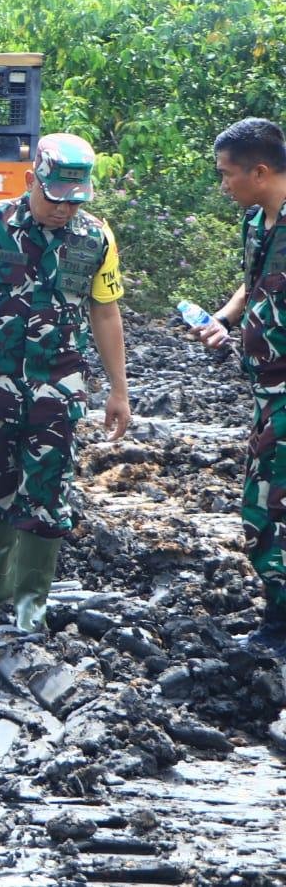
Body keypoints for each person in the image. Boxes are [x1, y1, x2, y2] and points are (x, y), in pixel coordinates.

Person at [0, 133, 131, 633]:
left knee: (47, 488)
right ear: (31, 180)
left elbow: (106, 314)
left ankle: (32, 596)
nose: (63, 210)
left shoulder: (95, 238)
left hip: (57, 391)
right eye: (54, 198)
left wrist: (118, 390)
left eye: (73, 201)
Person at [187, 117, 286, 657]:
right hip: (267, 392)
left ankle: (279, 625)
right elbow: (254, 281)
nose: (223, 184)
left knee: (264, 508)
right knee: (265, 502)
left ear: (261, 171)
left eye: (228, 175)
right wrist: (223, 319)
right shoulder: (257, 222)